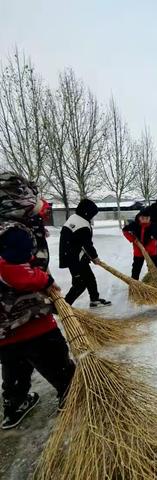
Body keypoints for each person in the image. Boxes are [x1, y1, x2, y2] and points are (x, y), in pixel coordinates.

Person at [0, 172, 74, 429]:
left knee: (14, 366)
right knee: (58, 363)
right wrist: (43, 281)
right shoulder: (15, 232)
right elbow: (11, 271)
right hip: (30, 319)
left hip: (4, 327)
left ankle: (14, 404)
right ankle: (71, 395)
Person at [59, 199, 111, 307]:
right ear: (87, 212)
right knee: (80, 283)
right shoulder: (82, 225)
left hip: (73, 256)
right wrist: (95, 257)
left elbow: (78, 242)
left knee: (90, 278)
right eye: (92, 214)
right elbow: (87, 245)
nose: (92, 217)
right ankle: (64, 306)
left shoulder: (74, 218)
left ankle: (94, 299)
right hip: (74, 259)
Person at [122, 207, 157, 279]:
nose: (145, 220)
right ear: (139, 217)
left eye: (147, 218)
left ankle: (153, 282)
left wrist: (147, 249)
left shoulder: (153, 226)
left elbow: (156, 238)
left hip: (151, 252)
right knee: (136, 268)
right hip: (138, 251)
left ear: (150, 218)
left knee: (153, 267)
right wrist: (133, 239)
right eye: (143, 218)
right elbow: (125, 230)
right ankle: (134, 282)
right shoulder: (135, 225)